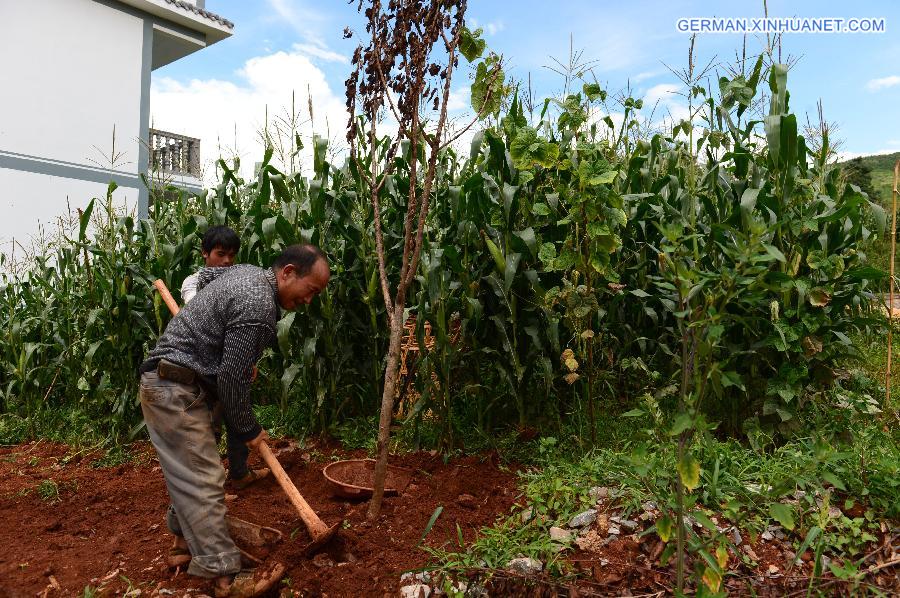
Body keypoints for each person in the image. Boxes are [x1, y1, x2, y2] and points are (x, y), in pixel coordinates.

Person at [139, 244, 330, 596]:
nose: (309, 301)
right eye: (311, 291)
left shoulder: (246, 272)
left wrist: (216, 335)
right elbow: (231, 379)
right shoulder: (259, 307)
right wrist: (248, 430)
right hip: (174, 387)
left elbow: (200, 277)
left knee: (192, 471)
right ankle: (222, 575)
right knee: (205, 478)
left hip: (177, 384)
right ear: (288, 272)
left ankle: (182, 549)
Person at [182, 226, 269, 491]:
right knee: (209, 427)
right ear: (204, 254)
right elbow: (208, 324)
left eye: (232, 255)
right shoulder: (193, 283)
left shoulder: (238, 283)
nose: (228, 261)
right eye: (221, 254)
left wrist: (247, 361)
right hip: (205, 368)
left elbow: (240, 329)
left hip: (231, 362)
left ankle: (240, 473)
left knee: (237, 418)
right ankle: (208, 492)